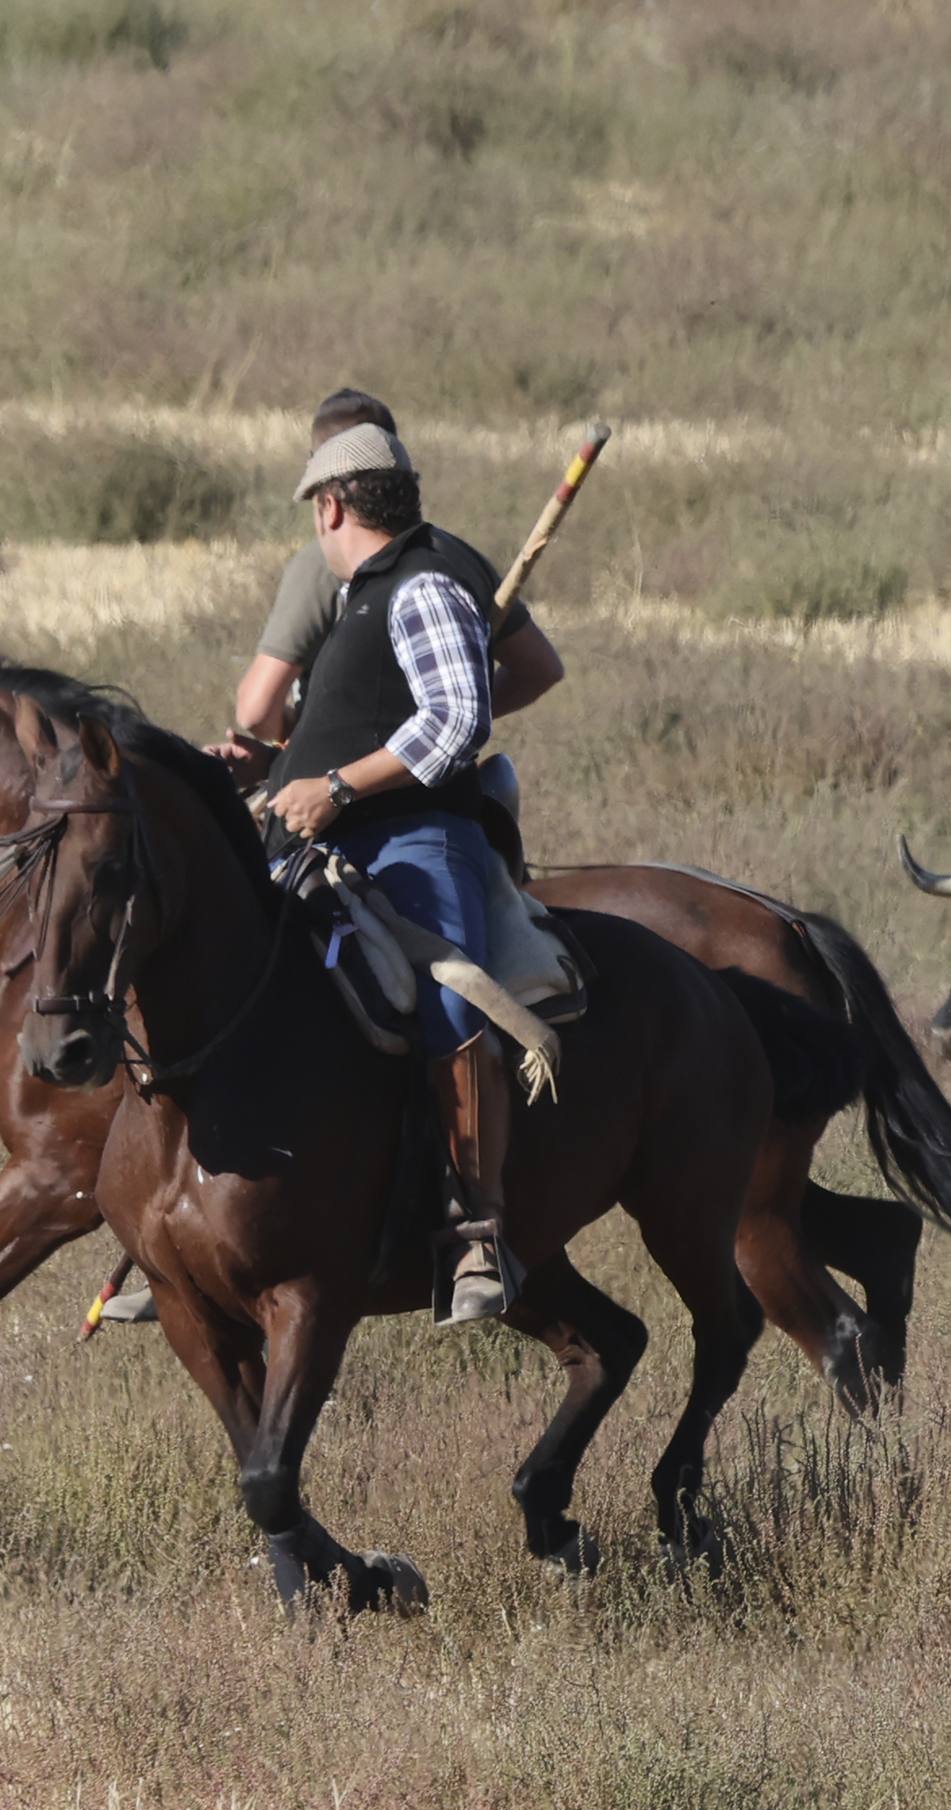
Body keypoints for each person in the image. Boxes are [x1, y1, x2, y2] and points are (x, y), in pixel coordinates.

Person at [224, 425, 544, 1325]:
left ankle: (474, 1229)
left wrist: (334, 786)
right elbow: (348, 723)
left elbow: (453, 723)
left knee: (452, 1002)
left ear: (331, 507)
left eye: (314, 516)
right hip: (316, 842)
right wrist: (263, 767)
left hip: (411, 842)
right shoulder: (359, 598)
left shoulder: (423, 585)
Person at [229, 389, 563, 754]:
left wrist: (319, 740)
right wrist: (421, 728)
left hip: (343, 794)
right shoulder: (457, 557)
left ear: (326, 491)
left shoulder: (321, 566)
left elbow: (256, 710)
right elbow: (539, 668)